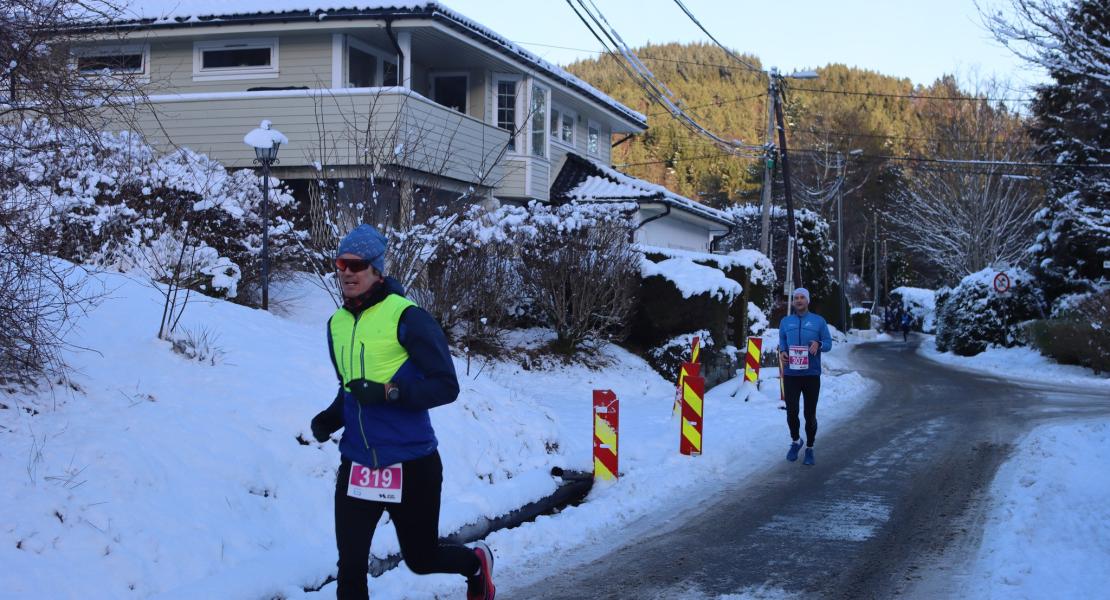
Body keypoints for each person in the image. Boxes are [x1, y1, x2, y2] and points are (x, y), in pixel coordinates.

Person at [309, 224, 495, 600]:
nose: (347, 273)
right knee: (350, 568)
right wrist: (331, 417)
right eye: (341, 264)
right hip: (358, 463)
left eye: (357, 265)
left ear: (377, 270)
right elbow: (352, 388)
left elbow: (445, 385)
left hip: (411, 462)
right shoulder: (337, 325)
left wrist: (390, 392)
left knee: (421, 559)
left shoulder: (408, 318)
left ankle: (476, 564)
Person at [778, 287, 832, 466]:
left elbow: (828, 343)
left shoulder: (819, 321)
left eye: (802, 297)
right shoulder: (786, 321)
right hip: (791, 374)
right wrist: (783, 351)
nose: (799, 300)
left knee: (810, 414)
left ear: (808, 301)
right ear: (793, 301)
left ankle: (809, 447)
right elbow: (783, 340)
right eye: (796, 298)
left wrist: (819, 344)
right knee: (792, 411)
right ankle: (796, 441)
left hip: (811, 374)